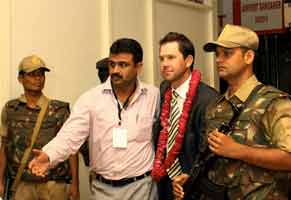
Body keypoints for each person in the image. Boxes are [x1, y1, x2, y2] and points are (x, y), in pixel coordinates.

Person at [28, 38, 159, 200]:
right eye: (112, 64)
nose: (115, 70)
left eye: (123, 65)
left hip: (141, 188)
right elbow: (70, 135)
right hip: (103, 190)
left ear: (138, 67)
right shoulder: (91, 99)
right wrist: (49, 155)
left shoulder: (153, 96)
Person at [176, 24, 291, 199]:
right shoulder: (215, 106)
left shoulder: (274, 102)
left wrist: (239, 150)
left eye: (227, 54)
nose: (218, 60)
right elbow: (212, 159)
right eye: (217, 54)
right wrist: (194, 179)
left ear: (249, 56)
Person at [0, 55, 79, 200]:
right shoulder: (10, 109)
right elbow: (4, 146)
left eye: (41, 74)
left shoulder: (59, 109)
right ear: (20, 78)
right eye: (32, 74)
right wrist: (0, 181)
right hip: (21, 185)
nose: (38, 78)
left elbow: (71, 149)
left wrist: (75, 185)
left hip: (53, 184)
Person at [151, 32, 218, 200]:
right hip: (164, 182)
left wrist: (190, 180)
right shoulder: (164, 89)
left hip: (192, 186)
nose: (164, 64)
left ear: (188, 61)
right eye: (162, 58)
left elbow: (209, 152)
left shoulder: (208, 99)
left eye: (171, 57)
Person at [79, 57, 110, 167]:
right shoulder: (91, 99)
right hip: (100, 169)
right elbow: (80, 134)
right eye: (102, 72)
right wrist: (91, 160)